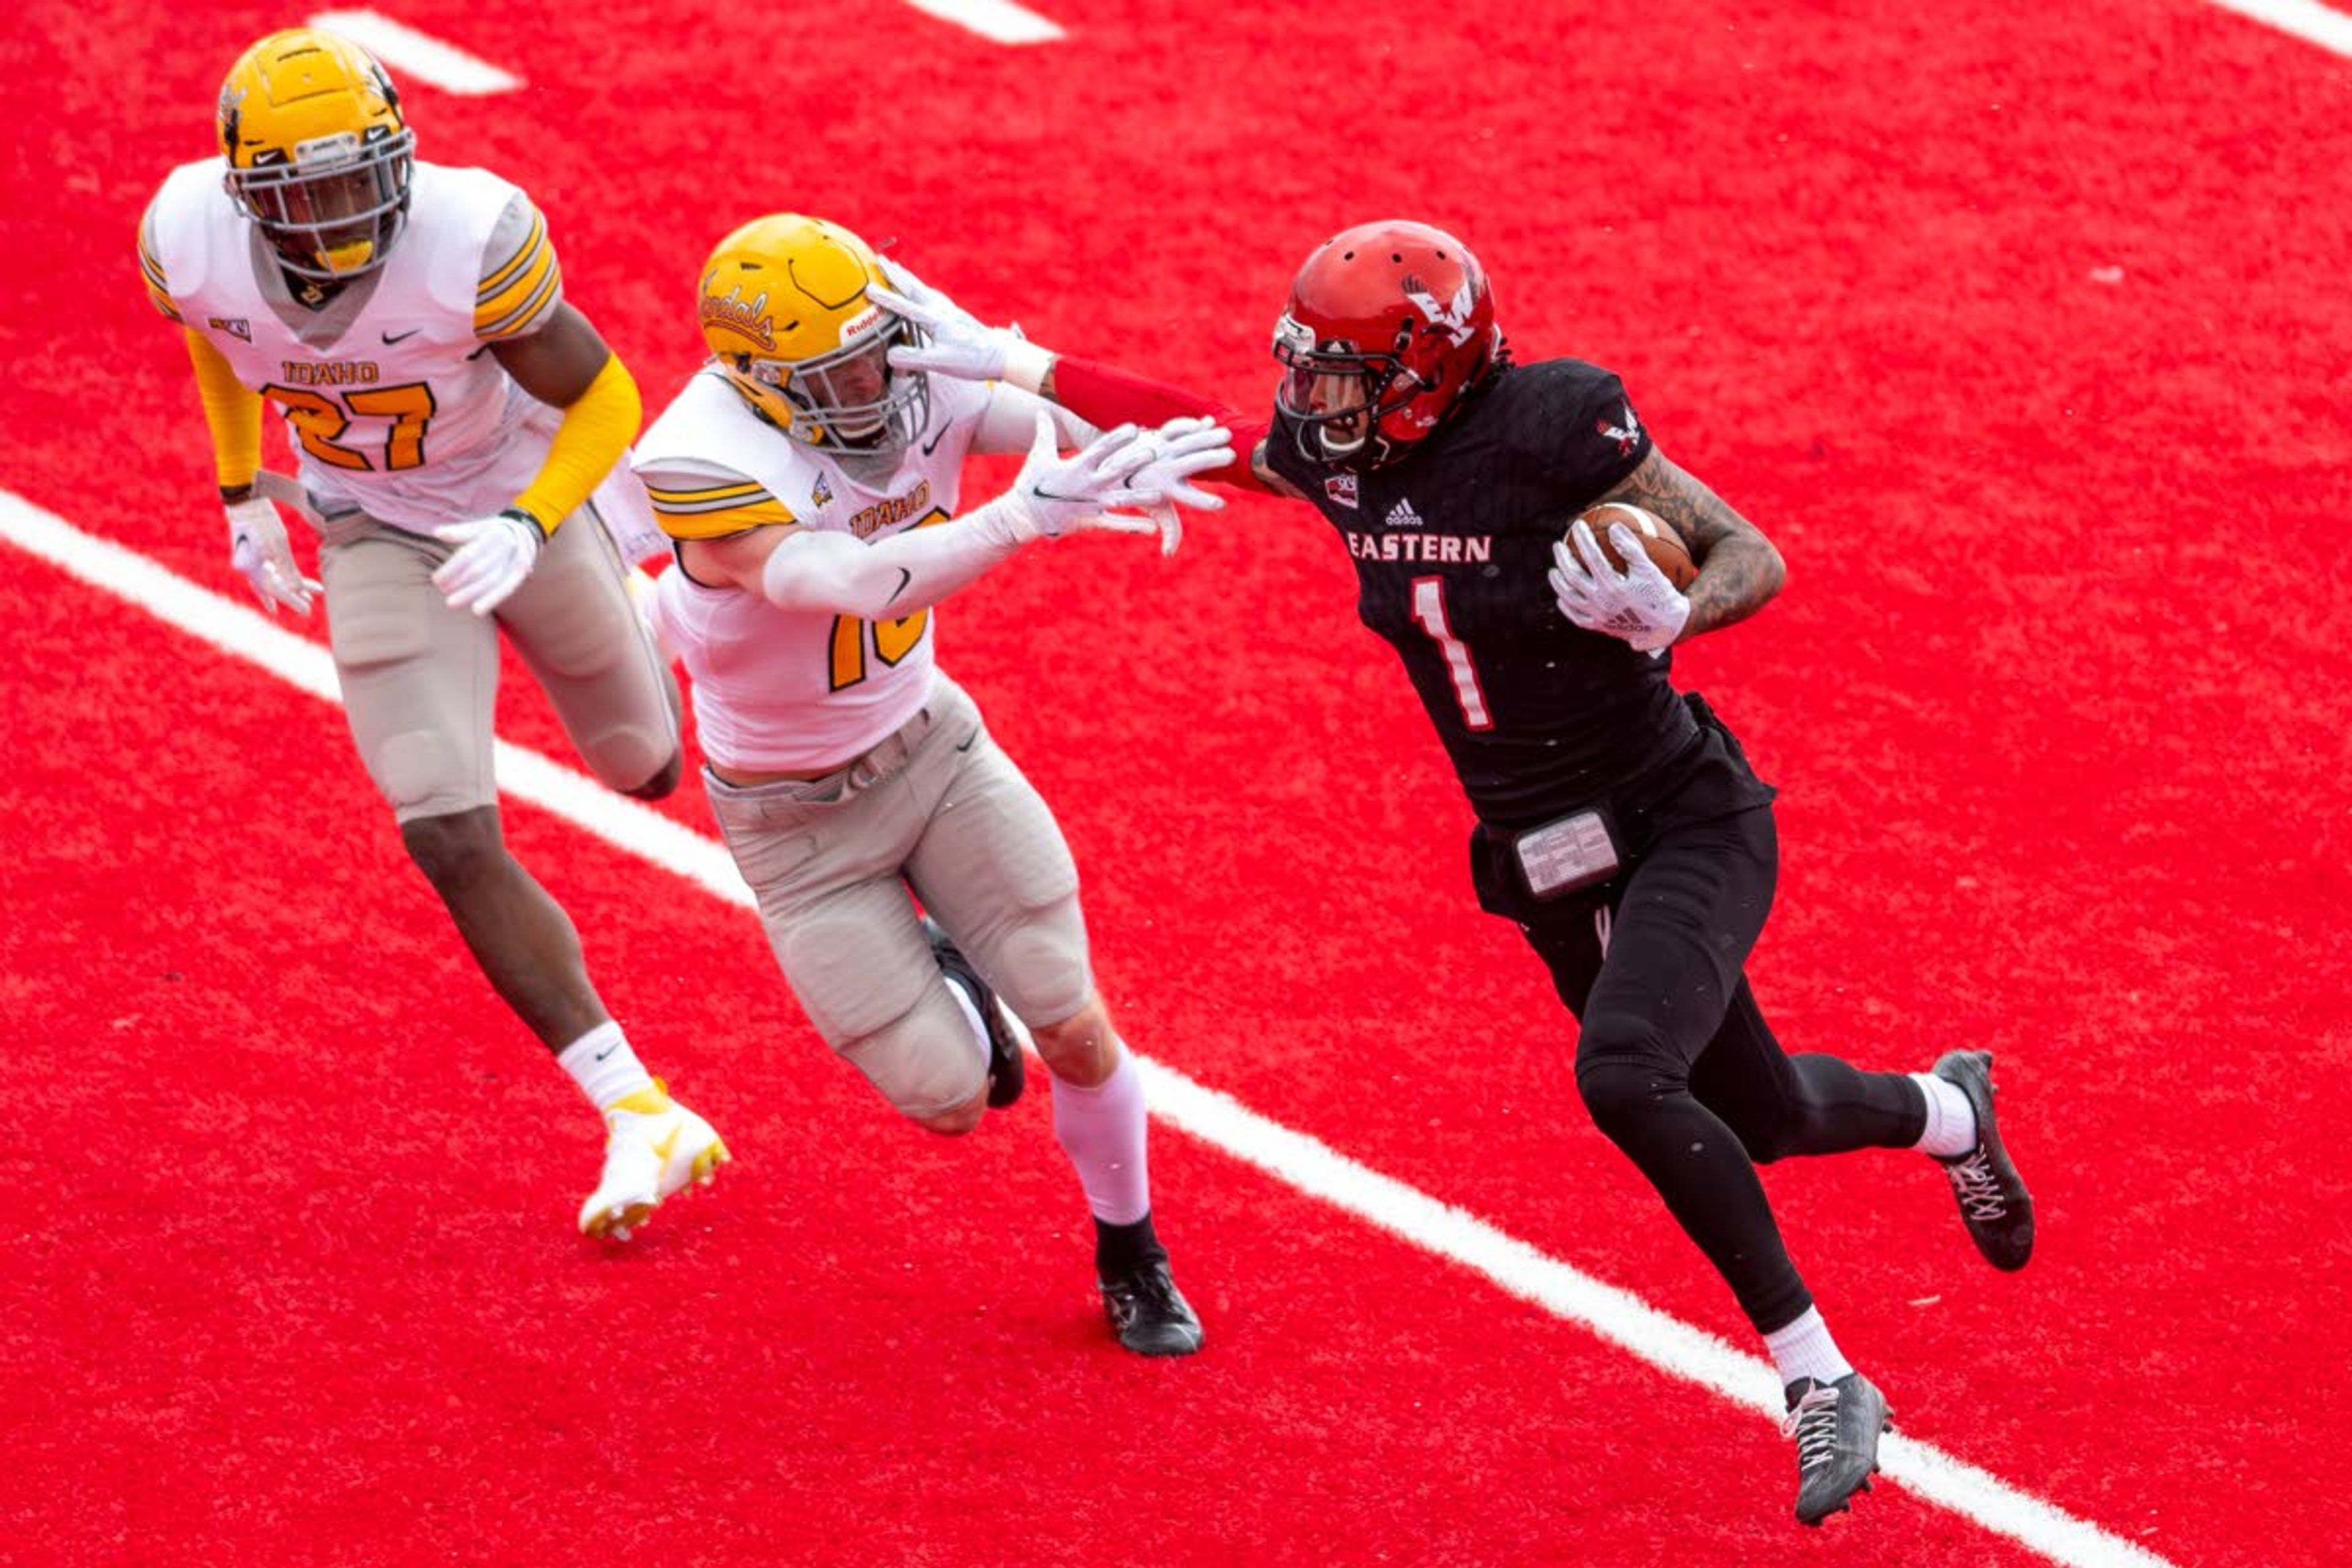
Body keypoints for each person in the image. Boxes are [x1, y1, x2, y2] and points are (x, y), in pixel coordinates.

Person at [884, 219, 2037, 1520]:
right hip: (1543, 860)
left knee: (1625, 1074)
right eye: (1309, 370)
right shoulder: (1350, 462)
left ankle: (1822, 1377)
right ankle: (1950, 1112)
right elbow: (1209, 433)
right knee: (1760, 1114)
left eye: (1343, 377)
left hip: (1679, 815)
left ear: (1431, 367)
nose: (1315, 402)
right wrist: (1018, 361)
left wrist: (1676, 613)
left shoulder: (1553, 424)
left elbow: (1747, 553)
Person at [138, 28, 726, 1240]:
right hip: (372, 526)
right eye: (308, 192)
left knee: (646, 766)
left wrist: (533, 516)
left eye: (362, 178)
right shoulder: (188, 237)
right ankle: (640, 1107)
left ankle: (667, 598)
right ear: (251, 198)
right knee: (444, 827)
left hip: (519, 501)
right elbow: (219, 335)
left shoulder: (467, 238)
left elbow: (602, 389)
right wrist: (243, 490)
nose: (345, 213)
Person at [628, 214, 1231, 1355]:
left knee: (1070, 1014)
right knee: (951, 1101)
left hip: (934, 749)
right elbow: (845, 580)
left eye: (876, 350)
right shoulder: (707, 459)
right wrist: (1020, 519)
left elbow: (1064, 420)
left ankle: (1132, 1251)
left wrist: (1097, 429)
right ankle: (949, 964)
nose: (874, 382)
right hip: (794, 828)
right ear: (755, 383)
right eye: (836, 371)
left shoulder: (913, 369)